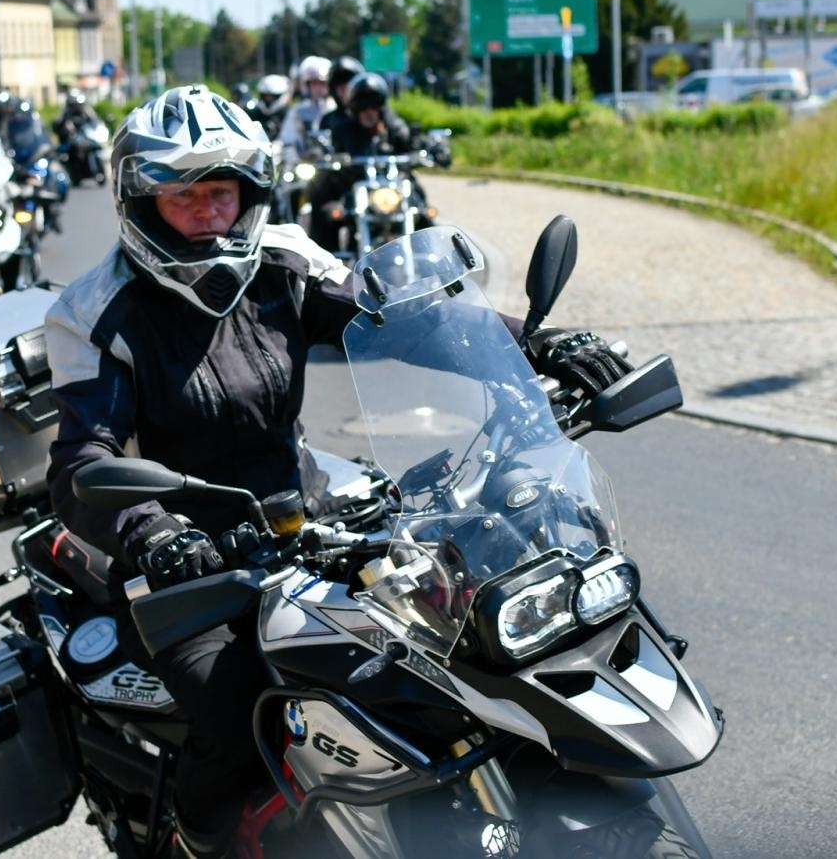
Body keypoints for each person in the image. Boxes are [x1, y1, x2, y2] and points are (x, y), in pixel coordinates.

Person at [44, 84, 626, 858]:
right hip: (181, 556)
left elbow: (403, 321)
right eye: (187, 198)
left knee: (446, 646)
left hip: (301, 516)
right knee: (234, 709)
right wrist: (154, 533)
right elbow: (85, 455)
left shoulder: (282, 260)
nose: (211, 213)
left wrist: (533, 347)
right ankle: (192, 839)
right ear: (144, 206)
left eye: (223, 193)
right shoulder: (94, 311)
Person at [305, 72, 415, 249]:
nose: (368, 111)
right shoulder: (342, 130)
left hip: (389, 188)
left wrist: (432, 147)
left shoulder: (393, 126)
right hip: (351, 189)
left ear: (381, 106)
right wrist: (319, 154)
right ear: (354, 108)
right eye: (362, 105)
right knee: (327, 211)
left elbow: (411, 141)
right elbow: (324, 146)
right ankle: (318, 266)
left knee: (421, 209)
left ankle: (443, 268)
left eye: (373, 104)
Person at [275, 54, 334, 155]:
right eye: (314, 84)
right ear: (306, 85)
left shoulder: (335, 109)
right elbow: (286, 138)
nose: (318, 89)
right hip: (306, 163)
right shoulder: (298, 111)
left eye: (322, 83)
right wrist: (276, 149)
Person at [247, 73, 291, 141]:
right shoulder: (255, 112)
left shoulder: (289, 113)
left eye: (271, 96)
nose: (268, 99)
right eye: (266, 96)